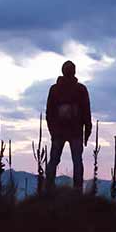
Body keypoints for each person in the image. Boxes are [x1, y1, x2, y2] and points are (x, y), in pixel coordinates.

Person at [44, 60, 93, 191]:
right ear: (74, 71)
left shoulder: (55, 89)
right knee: (76, 161)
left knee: (54, 161)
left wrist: (53, 131)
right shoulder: (80, 89)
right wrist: (87, 131)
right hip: (74, 132)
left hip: (60, 132)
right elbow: (86, 112)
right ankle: (77, 191)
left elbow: (49, 113)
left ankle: (49, 189)